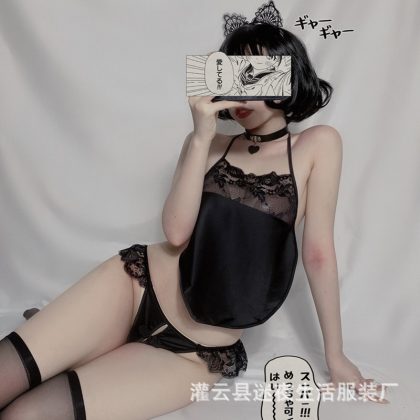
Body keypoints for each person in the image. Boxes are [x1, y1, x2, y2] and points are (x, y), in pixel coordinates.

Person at [0, 1, 388, 419]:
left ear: (285, 74)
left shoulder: (318, 145)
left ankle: (75, 345)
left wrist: (336, 356)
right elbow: (176, 232)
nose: (240, 89)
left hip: (196, 352)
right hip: (135, 287)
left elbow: (318, 253)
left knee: (26, 414)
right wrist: (201, 136)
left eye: (253, 72)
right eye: (230, 72)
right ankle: (76, 339)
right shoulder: (208, 143)